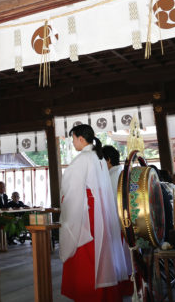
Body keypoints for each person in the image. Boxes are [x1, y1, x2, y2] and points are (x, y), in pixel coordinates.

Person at [60, 124, 130, 301]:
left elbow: (71, 191)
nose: (73, 143)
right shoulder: (98, 157)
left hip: (87, 216)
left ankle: (90, 296)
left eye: (73, 139)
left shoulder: (82, 159)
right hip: (101, 214)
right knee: (102, 256)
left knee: (87, 258)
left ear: (81, 139)